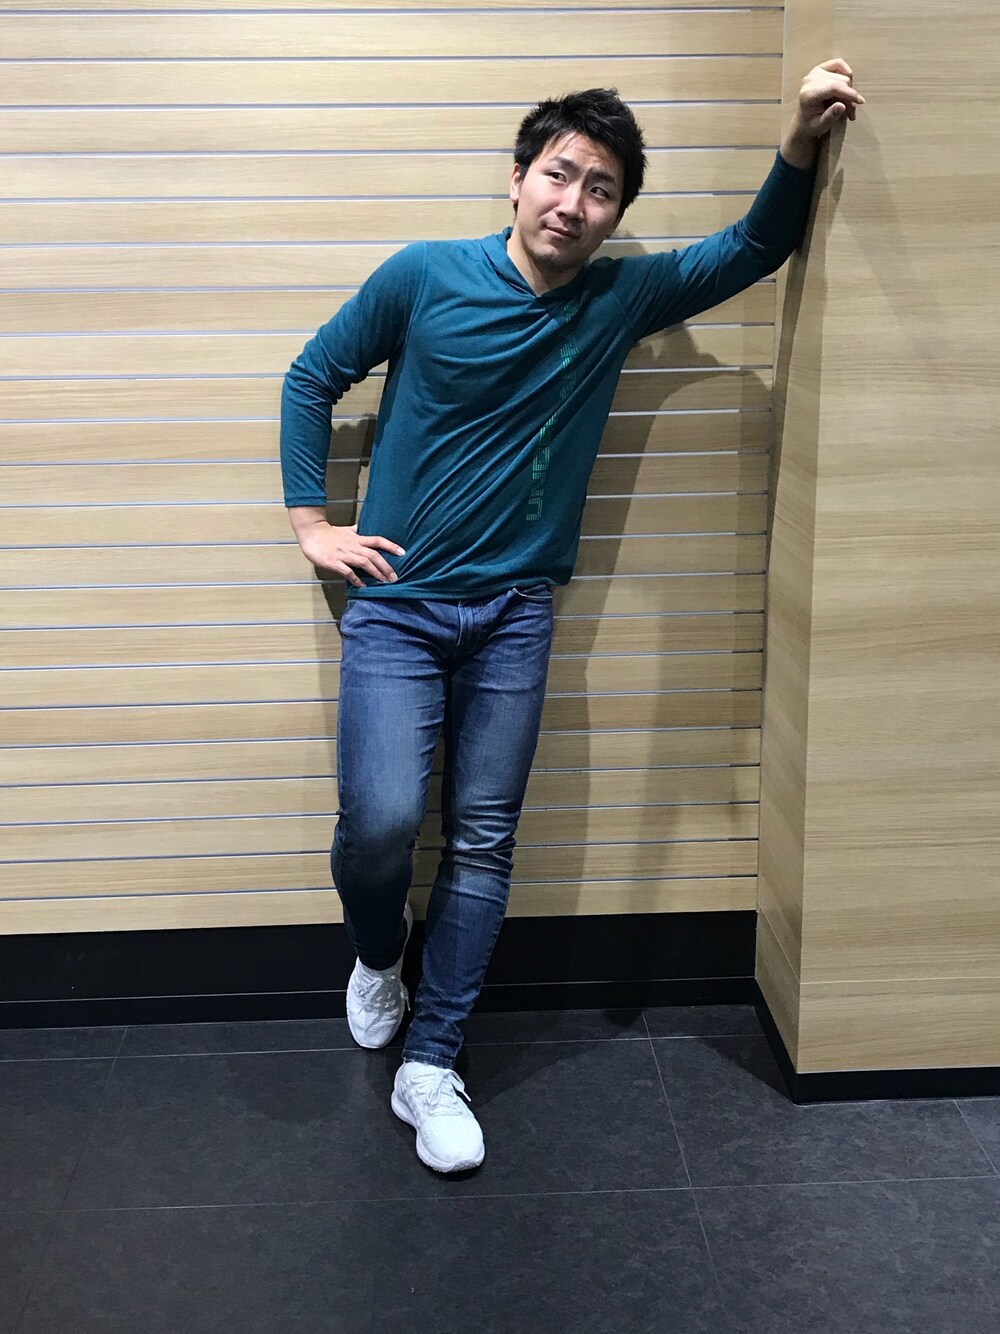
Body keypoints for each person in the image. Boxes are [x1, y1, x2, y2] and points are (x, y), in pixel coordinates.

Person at [280, 60, 864, 1174]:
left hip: (514, 615)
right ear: (516, 180)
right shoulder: (424, 276)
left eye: (601, 190)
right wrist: (312, 521)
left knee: (484, 839)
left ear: (614, 214)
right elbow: (313, 375)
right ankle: (377, 953)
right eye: (558, 174)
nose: (573, 203)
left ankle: (431, 1063)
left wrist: (798, 136)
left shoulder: (618, 299)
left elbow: (753, 248)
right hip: (397, 608)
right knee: (381, 824)